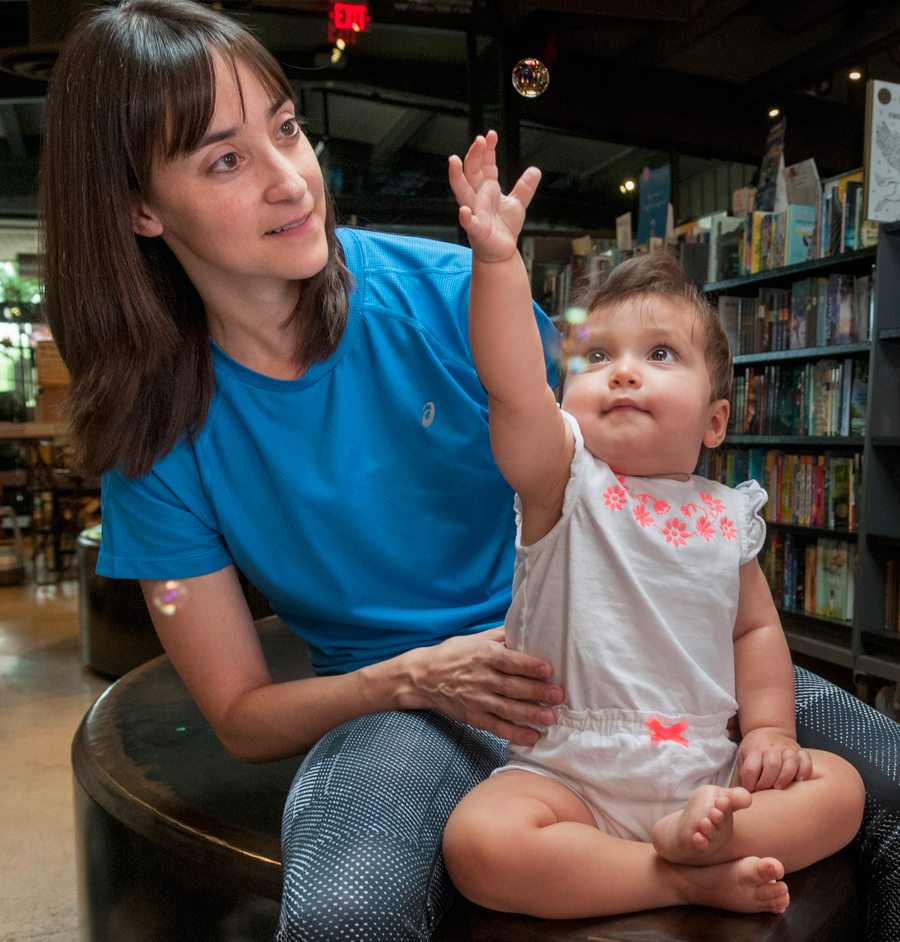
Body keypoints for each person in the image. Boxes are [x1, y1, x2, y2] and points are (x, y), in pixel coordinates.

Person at [37, 2, 900, 940]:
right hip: (404, 707)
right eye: (226, 159)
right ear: (138, 206)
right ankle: (669, 869)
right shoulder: (154, 435)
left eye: (286, 129)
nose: (292, 182)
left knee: (886, 775)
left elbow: (618, 482)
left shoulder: (455, 291)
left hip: (618, 649)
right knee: (345, 912)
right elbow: (242, 716)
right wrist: (410, 679)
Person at [442, 130, 865, 918]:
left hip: (705, 771)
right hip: (569, 773)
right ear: (566, 395)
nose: (625, 370)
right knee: (480, 843)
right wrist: (498, 261)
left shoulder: (727, 514)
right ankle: (671, 874)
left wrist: (770, 731)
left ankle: (684, 847)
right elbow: (511, 387)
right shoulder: (561, 482)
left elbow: (753, 634)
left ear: (714, 422)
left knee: (839, 792)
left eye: (661, 353)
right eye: (596, 356)